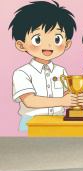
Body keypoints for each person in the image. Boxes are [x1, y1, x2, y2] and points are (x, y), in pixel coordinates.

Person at [9, 0, 75, 131]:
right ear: (21, 45)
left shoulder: (61, 70)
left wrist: (76, 96)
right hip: (31, 121)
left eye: (57, 39)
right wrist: (63, 101)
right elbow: (30, 101)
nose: (49, 45)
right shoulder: (21, 73)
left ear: (67, 44)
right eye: (37, 39)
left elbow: (67, 93)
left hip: (59, 119)